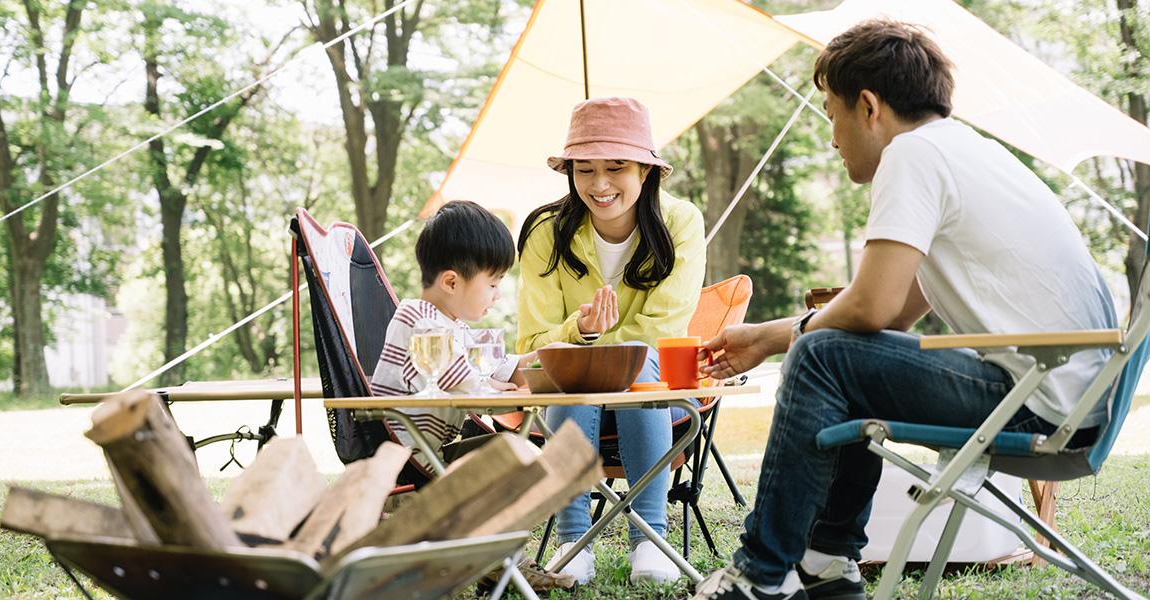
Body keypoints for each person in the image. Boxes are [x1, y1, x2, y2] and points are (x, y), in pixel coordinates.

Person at [693, 20, 1116, 600]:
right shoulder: (967, 151)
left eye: (830, 115)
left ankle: (759, 576)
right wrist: (777, 334)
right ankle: (825, 562)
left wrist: (773, 337)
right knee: (837, 357)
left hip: (1039, 406)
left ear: (868, 106)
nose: (832, 138)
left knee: (823, 354)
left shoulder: (913, 154)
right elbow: (890, 317)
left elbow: (870, 308)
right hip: (1072, 399)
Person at [516, 96, 706, 585]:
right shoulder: (544, 231)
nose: (599, 185)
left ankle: (652, 541)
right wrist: (578, 334)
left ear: (645, 171)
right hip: (567, 383)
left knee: (634, 365)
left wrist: (596, 347)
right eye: (585, 169)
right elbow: (535, 340)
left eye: (616, 167)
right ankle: (573, 542)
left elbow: (663, 329)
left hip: (655, 385)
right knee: (574, 374)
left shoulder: (681, 222)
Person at [371, 200, 539, 477]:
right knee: (514, 457)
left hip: (430, 456)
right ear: (451, 282)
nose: (497, 295)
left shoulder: (452, 326)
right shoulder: (420, 319)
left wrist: (541, 359)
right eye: (493, 284)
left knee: (518, 451)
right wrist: (499, 388)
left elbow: (493, 366)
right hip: (406, 464)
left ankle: (499, 520)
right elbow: (463, 382)